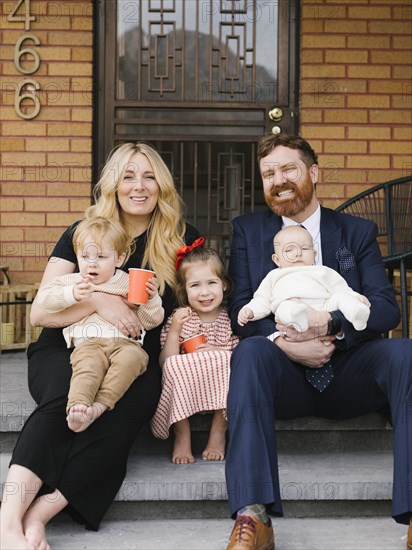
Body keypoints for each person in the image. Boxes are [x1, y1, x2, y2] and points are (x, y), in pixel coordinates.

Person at [0, 142, 200, 550]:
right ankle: (7, 524)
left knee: (118, 416)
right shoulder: (84, 232)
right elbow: (39, 314)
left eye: (148, 176)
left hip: (136, 354)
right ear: (113, 184)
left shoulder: (183, 240)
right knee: (61, 399)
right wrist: (96, 300)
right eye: (128, 176)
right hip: (67, 343)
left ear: (162, 185)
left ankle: (40, 515)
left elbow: (189, 309)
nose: (139, 186)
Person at [224, 133, 412, 550]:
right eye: (269, 173)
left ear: (313, 172)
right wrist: (282, 341)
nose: (278, 180)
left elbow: (385, 309)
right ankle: (253, 516)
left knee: (406, 354)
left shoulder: (356, 231)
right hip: (283, 374)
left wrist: (330, 324)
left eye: (288, 168)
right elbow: (240, 308)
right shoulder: (249, 231)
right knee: (251, 350)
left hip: (350, 371)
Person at [36, 217, 164, 432]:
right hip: (89, 343)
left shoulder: (128, 283)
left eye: (102, 257)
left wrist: (151, 299)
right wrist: (72, 295)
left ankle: (100, 405)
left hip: (126, 345)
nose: (92, 263)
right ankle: (78, 406)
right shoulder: (74, 281)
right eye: (85, 256)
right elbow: (45, 300)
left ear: (119, 258)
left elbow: (151, 321)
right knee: (87, 369)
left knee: (134, 360)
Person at [151, 243, 240, 464]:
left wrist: (220, 351)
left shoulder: (229, 320)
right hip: (187, 387)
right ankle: (182, 433)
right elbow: (165, 362)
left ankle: (218, 432)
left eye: (212, 283)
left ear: (224, 286)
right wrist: (174, 331)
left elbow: (239, 353)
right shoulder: (180, 319)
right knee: (173, 365)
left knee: (231, 360)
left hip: (218, 387)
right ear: (184, 290)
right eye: (195, 285)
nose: (204, 292)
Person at [238, 225, 370, 334]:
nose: (298, 253)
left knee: (340, 297)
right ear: (276, 259)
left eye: (305, 248)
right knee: (284, 307)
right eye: (289, 250)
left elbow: (341, 289)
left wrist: (356, 297)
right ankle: (297, 319)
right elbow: (262, 300)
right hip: (290, 307)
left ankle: (356, 313)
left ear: (314, 255)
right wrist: (250, 311)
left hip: (324, 308)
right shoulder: (274, 276)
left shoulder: (323, 271)